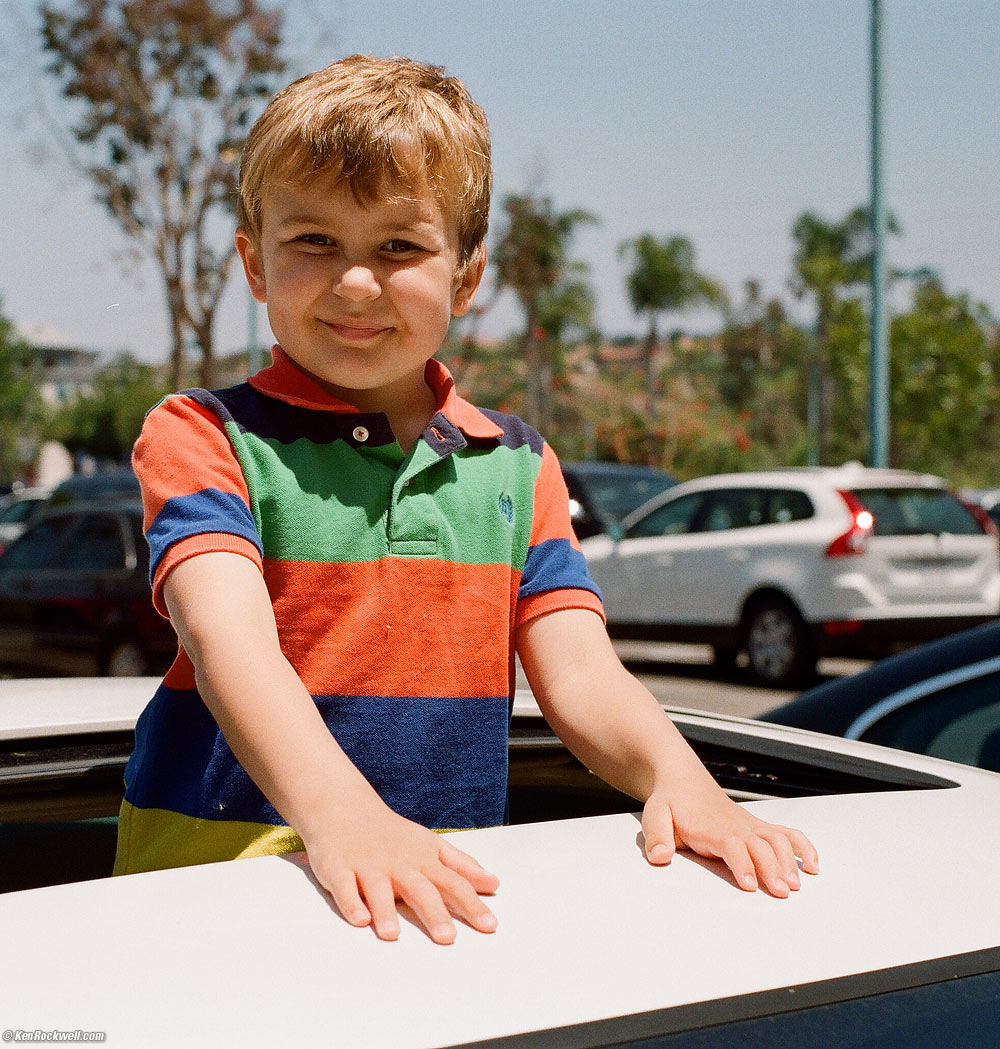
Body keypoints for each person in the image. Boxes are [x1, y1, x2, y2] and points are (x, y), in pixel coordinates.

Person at [114, 54, 818, 944]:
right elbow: (229, 644)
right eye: (314, 241)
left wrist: (678, 777)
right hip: (215, 892)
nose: (356, 282)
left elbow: (581, 671)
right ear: (255, 263)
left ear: (466, 275)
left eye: (398, 246)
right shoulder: (201, 434)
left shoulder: (518, 466)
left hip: (441, 890)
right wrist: (347, 817)